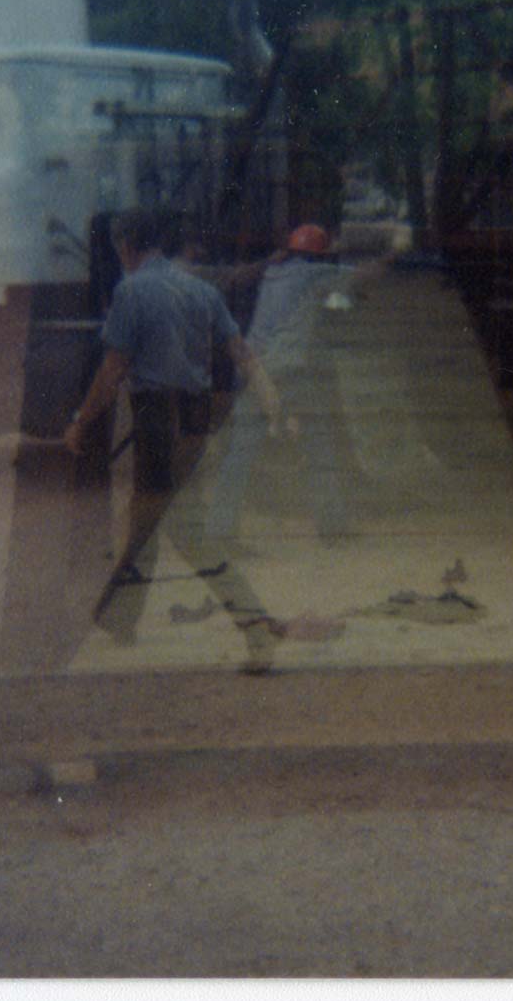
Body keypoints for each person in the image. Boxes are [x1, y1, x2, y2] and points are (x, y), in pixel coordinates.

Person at [64, 209, 285, 668]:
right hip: (194, 420)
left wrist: (82, 421)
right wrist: (270, 400)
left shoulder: (131, 291)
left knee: (176, 528)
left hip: (157, 419)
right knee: (154, 519)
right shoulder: (201, 290)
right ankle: (120, 618)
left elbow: (112, 371)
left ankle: (255, 622)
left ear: (126, 245)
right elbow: (240, 352)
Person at [204, 222, 380, 544]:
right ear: (318, 257)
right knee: (320, 449)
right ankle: (333, 529)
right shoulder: (313, 275)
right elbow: (360, 277)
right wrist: (391, 254)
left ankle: (219, 532)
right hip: (292, 372)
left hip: (257, 371)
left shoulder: (273, 275)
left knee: (239, 457)